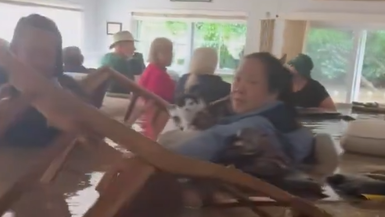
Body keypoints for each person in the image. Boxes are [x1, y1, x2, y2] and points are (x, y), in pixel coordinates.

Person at [159, 52, 314, 164]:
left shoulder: (259, 126)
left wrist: (154, 156)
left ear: (273, 92)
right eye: (237, 78)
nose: (239, 88)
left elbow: (216, 138)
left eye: (252, 82)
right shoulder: (278, 119)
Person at [0, 14, 86, 147]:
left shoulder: (67, 87)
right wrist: (20, 103)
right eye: (32, 52)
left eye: (47, 54)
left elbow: (90, 133)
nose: (40, 62)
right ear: (14, 52)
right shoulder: (3, 84)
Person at [138, 37, 175, 140]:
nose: (172, 56)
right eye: (168, 52)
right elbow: (154, 101)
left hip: (155, 117)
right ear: (157, 53)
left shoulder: (151, 69)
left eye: (171, 52)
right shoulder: (157, 75)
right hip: (155, 120)